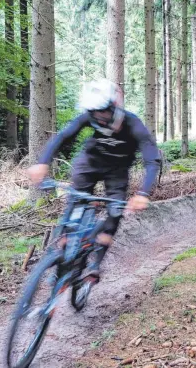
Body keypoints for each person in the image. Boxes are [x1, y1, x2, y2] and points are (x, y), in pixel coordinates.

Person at [28, 79, 160, 278]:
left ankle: (95, 265)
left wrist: (143, 193)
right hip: (89, 163)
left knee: (114, 214)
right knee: (75, 202)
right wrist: (42, 162)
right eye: (93, 112)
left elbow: (152, 160)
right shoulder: (88, 115)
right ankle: (64, 247)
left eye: (102, 112)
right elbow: (63, 137)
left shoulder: (133, 124)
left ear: (114, 106)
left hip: (117, 171)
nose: (98, 117)